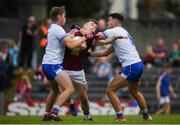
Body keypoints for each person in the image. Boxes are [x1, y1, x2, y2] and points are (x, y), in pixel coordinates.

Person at [90, 13, 152, 121]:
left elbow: (98, 37)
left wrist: (86, 33)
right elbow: (105, 53)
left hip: (131, 66)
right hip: (138, 65)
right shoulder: (123, 32)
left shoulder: (114, 31)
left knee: (110, 90)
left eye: (109, 20)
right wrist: (89, 54)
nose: (108, 23)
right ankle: (146, 115)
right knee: (134, 92)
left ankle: (120, 117)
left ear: (115, 21)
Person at [41, 6, 92, 121]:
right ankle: (54, 112)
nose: (65, 18)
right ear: (59, 17)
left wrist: (73, 35)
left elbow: (68, 38)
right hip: (54, 65)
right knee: (69, 89)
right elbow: (70, 45)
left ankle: (45, 114)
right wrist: (84, 38)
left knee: (54, 91)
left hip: (46, 64)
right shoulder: (58, 29)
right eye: (64, 16)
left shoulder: (53, 28)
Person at [62, 19, 97, 120]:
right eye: (91, 25)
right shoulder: (73, 32)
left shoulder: (90, 37)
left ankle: (87, 116)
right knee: (65, 94)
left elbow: (87, 44)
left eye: (95, 27)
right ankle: (71, 103)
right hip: (64, 69)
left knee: (84, 98)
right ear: (84, 25)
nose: (93, 28)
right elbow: (68, 40)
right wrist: (77, 33)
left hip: (78, 71)